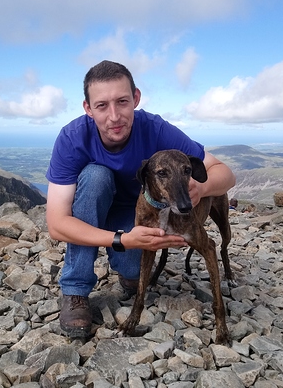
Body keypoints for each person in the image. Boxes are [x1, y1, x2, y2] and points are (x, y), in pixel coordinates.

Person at [45, 60, 235, 337]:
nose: (114, 116)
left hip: (136, 213)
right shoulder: (72, 138)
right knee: (96, 177)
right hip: (94, 208)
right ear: (88, 109)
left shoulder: (156, 129)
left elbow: (225, 174)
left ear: (135, 98)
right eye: (101, 106)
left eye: (122, 101)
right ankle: (75, 290)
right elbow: (57, 224)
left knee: (135, 269)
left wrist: (201, 189)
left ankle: (126, 269)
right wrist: (122, 239)